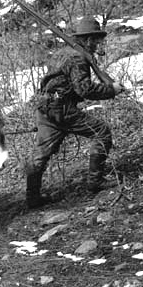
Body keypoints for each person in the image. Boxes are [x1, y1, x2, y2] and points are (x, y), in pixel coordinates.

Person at [26, 16, 124, 209]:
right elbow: (84, 90)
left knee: (40, 155)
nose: (99, 43)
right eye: (97, 39)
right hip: (62, 109)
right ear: (88, 40)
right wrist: (111, 89)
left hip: (46, 108)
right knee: (101, 132)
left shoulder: (63, 53)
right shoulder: (78, 58)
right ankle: (95, 182)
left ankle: (32, 198)